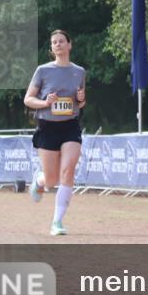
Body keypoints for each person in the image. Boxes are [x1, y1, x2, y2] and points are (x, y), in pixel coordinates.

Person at [24, 29, 86, 235]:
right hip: (47, 126)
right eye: (54, 42)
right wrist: (45, 102)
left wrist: (81, 98)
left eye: (61, 41)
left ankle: (57, 222)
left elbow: (80, 102)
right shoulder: (43, 70)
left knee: (68, 171)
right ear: (51, 49)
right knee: (51, 181)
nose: (58, 44)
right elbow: (28, 99)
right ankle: (40, 180)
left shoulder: (79, 71)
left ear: (70, 45)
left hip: (70, 126)